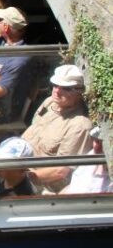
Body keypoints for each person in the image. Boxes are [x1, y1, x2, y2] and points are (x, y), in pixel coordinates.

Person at [22, 65, 94, 193]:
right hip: (18, 164)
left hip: (41, 184)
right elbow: (33, 129)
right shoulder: (50, 102)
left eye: (65, 88)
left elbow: (61, 171)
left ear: (79, 91)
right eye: (55, 85)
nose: (56, 91)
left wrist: (21, 179)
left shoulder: (79, 125)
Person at [61, 128, 110, 194]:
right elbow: (74, 186)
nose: (96, 147)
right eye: (96, 141)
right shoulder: (91, 157)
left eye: (103, 143)